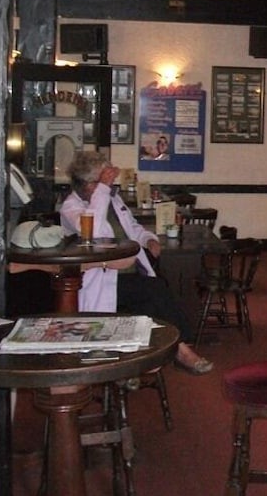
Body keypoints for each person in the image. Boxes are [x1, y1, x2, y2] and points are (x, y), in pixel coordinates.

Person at [60, 150, 213, 374]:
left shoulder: (113, 199)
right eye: (101, 182)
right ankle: (179, 350)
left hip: (131, 269)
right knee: (154, 290)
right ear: (86, 184)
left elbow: (132, 227)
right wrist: (102, 190)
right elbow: (94, 231)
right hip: (102, 278)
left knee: (154, 296)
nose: (109, 186)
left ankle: (155, 357)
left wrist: (148, 239)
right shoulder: (71, 207)